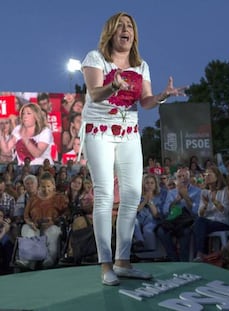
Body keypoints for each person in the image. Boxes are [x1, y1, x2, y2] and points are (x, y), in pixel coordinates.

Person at [80, 12, 186, 286]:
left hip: (129, 132)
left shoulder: (141, 65)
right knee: (104, 195)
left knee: (131, 194)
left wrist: (162, 96)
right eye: (120, 26)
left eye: (130, 26)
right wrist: (112, 84)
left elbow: (146, 101)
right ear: (111, 33)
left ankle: (123, 262)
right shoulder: (95, 58)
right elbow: (94, 94)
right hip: (99, 130)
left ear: (134, 34)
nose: (126, 30)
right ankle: (106, 267)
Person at [19, 173, 69, 268]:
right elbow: (26, 216)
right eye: (43, 187)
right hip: (36, 225)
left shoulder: (60, 198)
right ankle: (28, 260)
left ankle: (49, 258)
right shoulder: (33, 199)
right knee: (27, 229)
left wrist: (54, 222)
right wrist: (30, 223)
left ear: (53, 186)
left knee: (53, 232)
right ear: (39, 186)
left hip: (52, 225)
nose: (46, 189)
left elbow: (66, 214)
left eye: (48, 186)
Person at [156, 167, 201, 262]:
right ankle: (174, 259)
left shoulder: (197, 191)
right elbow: (165, 211)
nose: (182, 178)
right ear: (176, 179)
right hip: (173, 221)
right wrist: (174, 202)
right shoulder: (171, 192)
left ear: (189, 178)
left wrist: (186, 197)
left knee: (185, 232)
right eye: (179, 176)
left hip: (187, 222)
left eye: (184, 176)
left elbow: (196, 212)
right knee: (161, 231)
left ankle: (184, 261)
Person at [193, 166, 229, 261]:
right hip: (208, 223)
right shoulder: (204, 192)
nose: (207, 176)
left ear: (217, 177)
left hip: (223, 222)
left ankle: (200, 254)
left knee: (200, 223)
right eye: (205, 174)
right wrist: (205, 205)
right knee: (198, 222)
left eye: (209, 174)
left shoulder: (225, 191)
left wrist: (214, 201)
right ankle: (202, 254)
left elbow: (226, 211)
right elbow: (200, 214)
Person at [133, 174, 164, 252]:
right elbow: (135, 212)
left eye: (152, 183)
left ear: (155, 185)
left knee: (148, 229)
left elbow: (156, 215)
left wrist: (150, 201)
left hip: (152, 220)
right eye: (147, 183)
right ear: (143, 184)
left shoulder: (159, 197)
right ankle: (140, 241)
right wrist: (144, 201)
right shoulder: (138, 196)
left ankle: (151, 251)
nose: (149, 185)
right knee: (133, 221)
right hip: (139, 218)